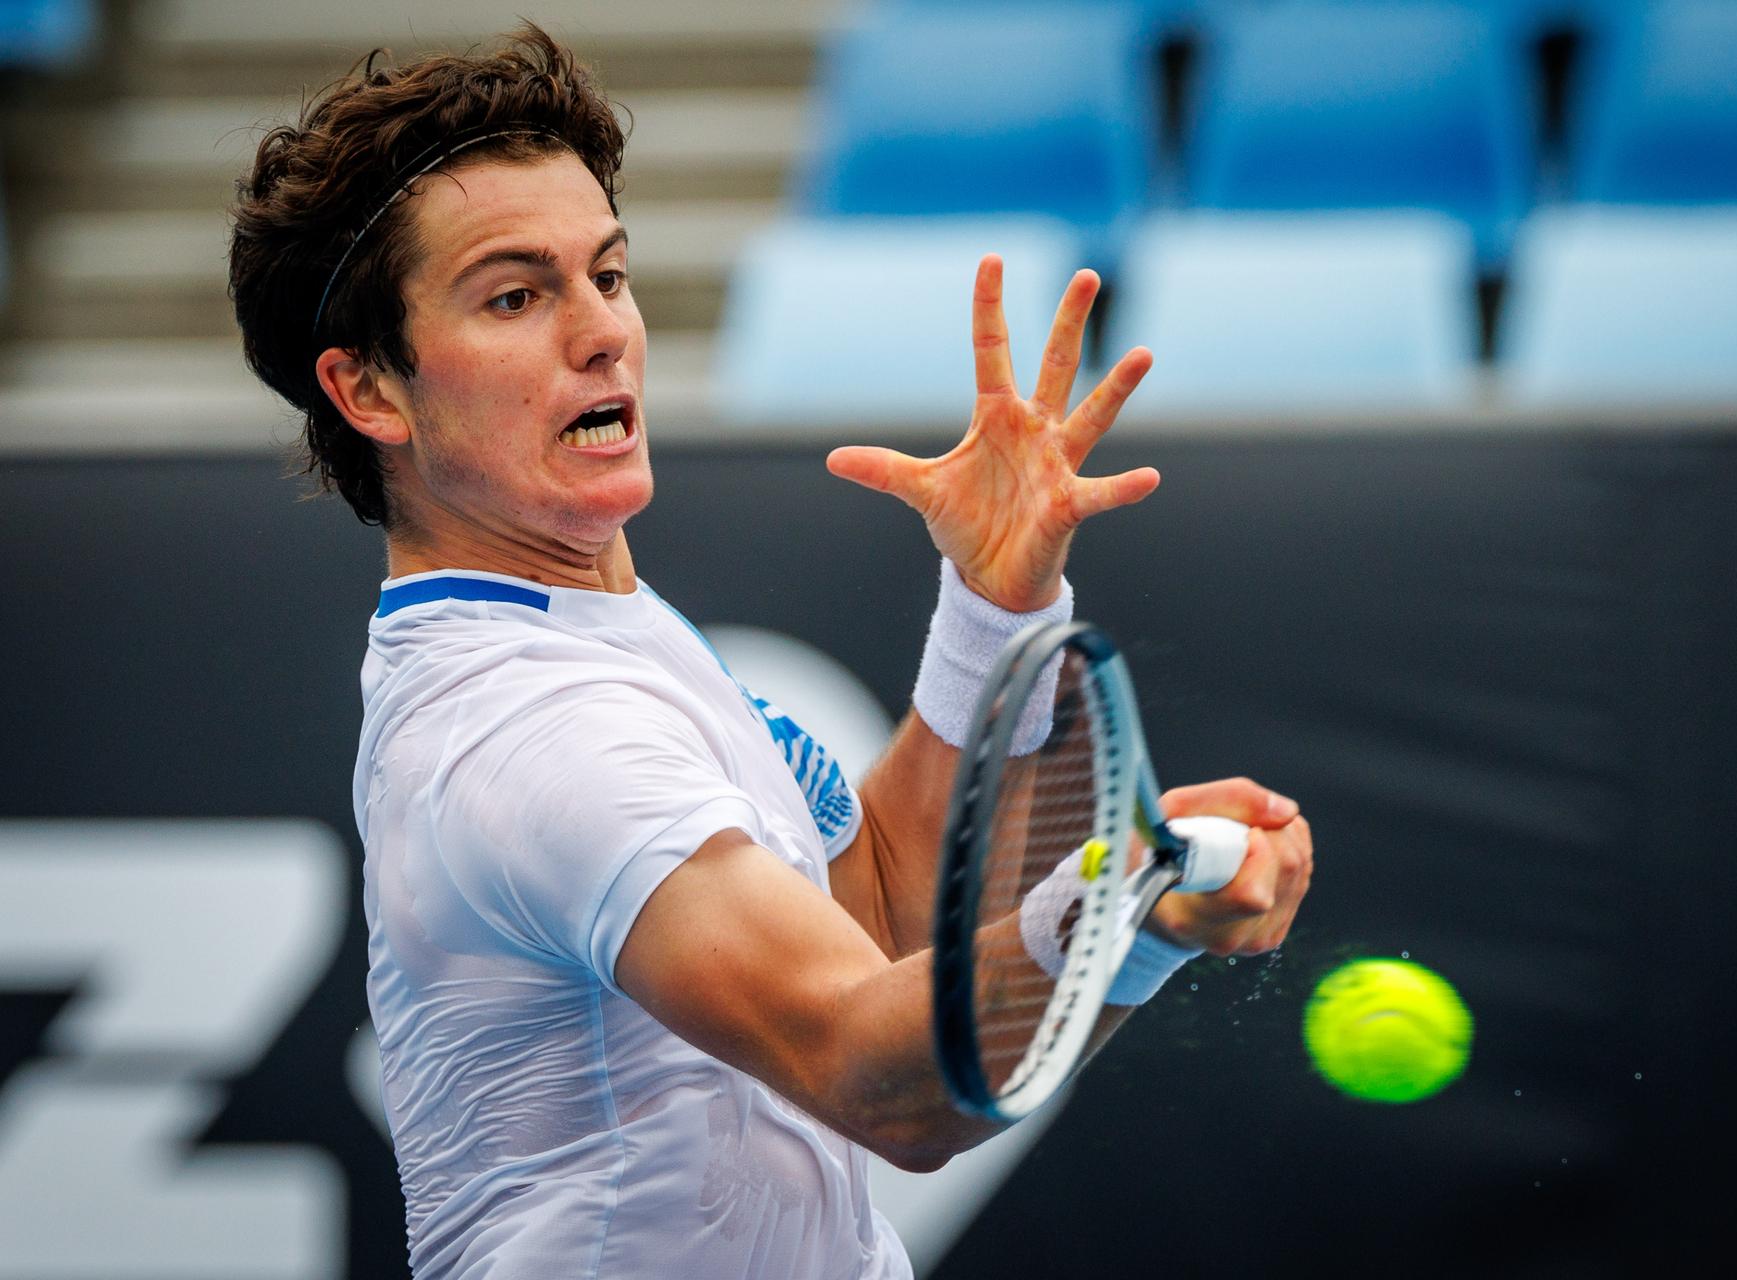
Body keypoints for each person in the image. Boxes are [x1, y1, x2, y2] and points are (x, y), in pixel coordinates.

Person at [229, 25, 1312, 1280]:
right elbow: (877, 1070)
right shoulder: (526, 732)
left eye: (609, 274)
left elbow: (886, 920)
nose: (603, 334)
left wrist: (992, 608)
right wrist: (1133, 904)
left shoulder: (597, 632)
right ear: (371, 393)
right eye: (516, 295)